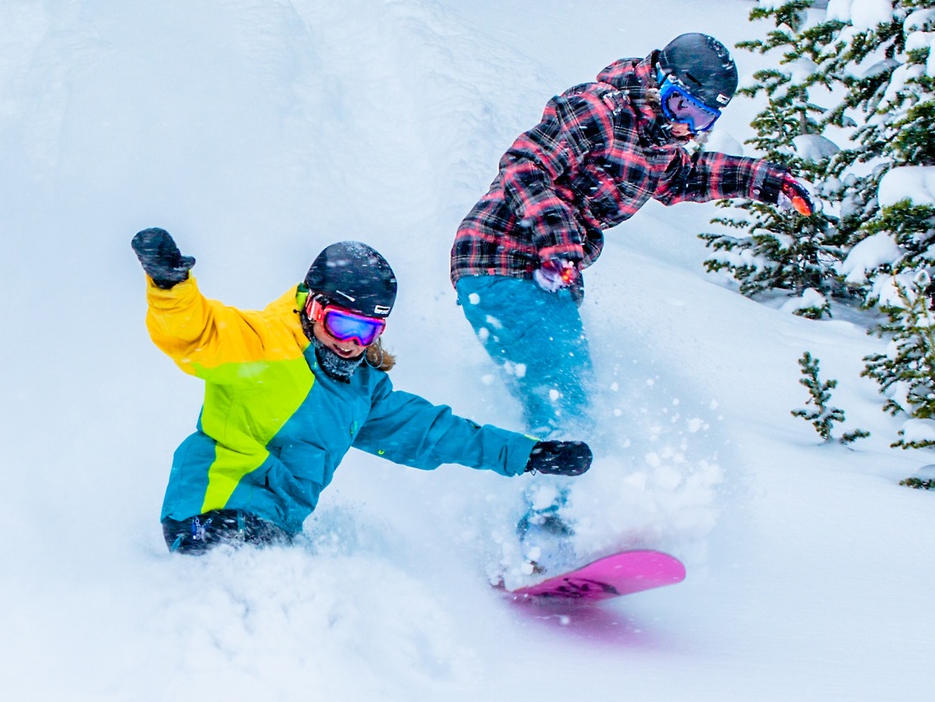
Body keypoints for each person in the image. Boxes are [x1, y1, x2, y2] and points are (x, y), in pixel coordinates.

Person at [449, 32, 809, 555]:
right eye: (682, 105)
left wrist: (766, 181)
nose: (688, 123)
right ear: (660, 79)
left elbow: (685, 177)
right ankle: (543, 538)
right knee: (561, 399)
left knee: (575, 397)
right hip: (498, 256)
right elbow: (522, 165)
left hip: (552, 273)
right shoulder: (596, 108)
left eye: (703, 118)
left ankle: (570, 520)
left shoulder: (660, 141)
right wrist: (557, 238)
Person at [134, 230, 589, 555]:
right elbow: (199, 333)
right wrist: (172, 289)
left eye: (367, 330)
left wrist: (529, 455)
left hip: (273, 523)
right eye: (342, 324)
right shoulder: (264, 343)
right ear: (312, 308)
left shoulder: (362, 391)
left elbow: (435, 433)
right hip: (212, 508)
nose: (352, 342)